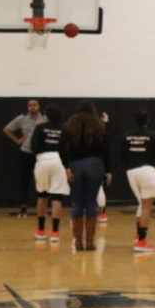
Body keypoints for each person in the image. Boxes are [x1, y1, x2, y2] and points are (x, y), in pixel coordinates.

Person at [60, 100, 112, 251]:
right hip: (95, 165)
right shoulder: (99, 125)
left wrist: (66, 167)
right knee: (91, 203)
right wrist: (108, 171)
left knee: (77, 203)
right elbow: (106, 149)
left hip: (75, 165)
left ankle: (78, 242)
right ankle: (90, 242)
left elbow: (61, 148)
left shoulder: (69, 125)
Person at [120, 109, 155, 252]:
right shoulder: (154, 135)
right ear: (148, 120)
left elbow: (122, 155)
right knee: (146, 206)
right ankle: (141, 241)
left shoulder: (126, 136)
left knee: (141, 203)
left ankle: (137, 236)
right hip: (148, 171)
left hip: (131, 171)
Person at [31, 104, 69, 242]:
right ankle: (55, 233)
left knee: (42, 195)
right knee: (57, 197)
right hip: (59, 161)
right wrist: (68, 167)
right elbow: (66, 149)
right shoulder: (64, 129)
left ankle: (41, 231)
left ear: (46, 116)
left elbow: (33, 147)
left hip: (43, 159)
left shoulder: (40, 127)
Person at [3, 99, 43, 217]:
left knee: (41, 181)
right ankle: (23, 207)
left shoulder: (44, 119)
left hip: (39, 155)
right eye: (30, 105)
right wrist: (17, 140)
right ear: (27, 107)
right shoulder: (22, 119)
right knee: (24, 181)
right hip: (25, 153)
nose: (32, 107)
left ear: (39, 107)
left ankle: (41, 208)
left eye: (34, 105)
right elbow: (6, 129)